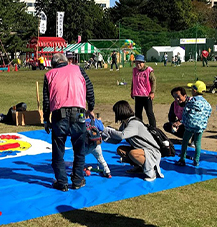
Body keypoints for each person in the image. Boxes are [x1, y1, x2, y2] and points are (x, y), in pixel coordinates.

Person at [43, 52, 95, 191]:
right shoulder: (78, 69)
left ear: (54, 64)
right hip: (78, 113)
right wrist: (91, 107)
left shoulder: (49, 75)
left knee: (58, 150)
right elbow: (89, 89)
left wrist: (46, 119)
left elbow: (46, 101)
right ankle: (78, 179)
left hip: (59, 115)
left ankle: (62, 182)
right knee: (79, 149)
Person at [103, 100, 164, 182]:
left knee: (133, 153)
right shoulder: (125, 123)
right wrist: (102, 136)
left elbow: (122, 135)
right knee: (120, 150)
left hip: (152, 152)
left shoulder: (134, 123)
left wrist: (107, 130)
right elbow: (117, 140)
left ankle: (151, 172)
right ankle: (140, 167)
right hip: (143, 151)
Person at [174, 81, 212, 166]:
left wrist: (183, 122)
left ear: (194, 91)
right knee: (197, 142)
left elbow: (185, 112)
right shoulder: (206, 103)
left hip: (190, 125)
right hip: (201, 126)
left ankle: (182, 159)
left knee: (185, 141)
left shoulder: (191, 102)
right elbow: (209, 112)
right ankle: (196, 160)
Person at [131, 54, 157, 127]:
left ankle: (153, 128)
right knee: (138, 113)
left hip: (147, 95)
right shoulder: (135, 70)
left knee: (149, 112)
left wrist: (152, 92)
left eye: (140, 63)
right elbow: (133, 81)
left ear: (143, 63)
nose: (138, 64)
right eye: (136, 63)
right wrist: (132, 91)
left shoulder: (148, 70)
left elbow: (153, 81)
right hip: (137, 94)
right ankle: (140, 127)